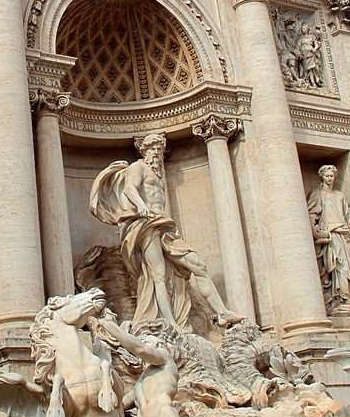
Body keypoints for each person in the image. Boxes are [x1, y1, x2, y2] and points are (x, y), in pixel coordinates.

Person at [90, 133, 241, 332]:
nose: (157, 153)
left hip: (165, 226)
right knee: (158, 274)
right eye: (153, 149)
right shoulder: (138, 167)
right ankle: (170, 323)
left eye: (160, 149)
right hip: (147, 224)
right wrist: (141, 206)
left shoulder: (159, 175)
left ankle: (222, 312)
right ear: (145, 150)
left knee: (198, 265)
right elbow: (129, 189)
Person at [98, 315, 183, 417]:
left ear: (158, 345)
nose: (143, 345)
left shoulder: (166, 360)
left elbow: (141, 349)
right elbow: (122, 403)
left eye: (147, 342)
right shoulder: (141, 381)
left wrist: (110, 327)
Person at [306, 164, 350, 312]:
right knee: (339, 264)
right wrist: (316, 230)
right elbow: (312, 214)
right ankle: (340, 297)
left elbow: (349, 219)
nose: (330, 179)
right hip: (332, 234)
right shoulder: (317, 193)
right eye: (327, 176)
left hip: (344, 234)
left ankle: (348, 296)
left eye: (332, 176)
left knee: (349, 267)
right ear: (322, 176)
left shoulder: (340, 196)